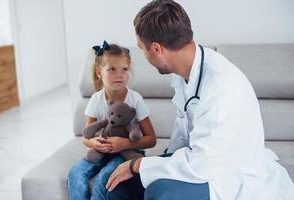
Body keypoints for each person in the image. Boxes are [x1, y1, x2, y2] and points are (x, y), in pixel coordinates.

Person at [105, 1, 294, 200]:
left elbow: (203, 164)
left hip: (226, 174)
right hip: (197, 158)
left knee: (160, 192)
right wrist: (158, 163)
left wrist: (139, 165)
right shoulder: (184, 72)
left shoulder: (221, 87)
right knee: (120, 186)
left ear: (157, 49)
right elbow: (182, 135)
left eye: (142, 49)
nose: (144, 55)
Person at [67, 41, 156, 200]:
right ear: (99, 72)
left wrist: (126, 144)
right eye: (112, 69)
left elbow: (151, 139)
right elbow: (86, 137)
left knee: (105, 177)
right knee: (75, 174)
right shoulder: (96, 99)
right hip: (101, 151)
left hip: (127, 152)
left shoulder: (135, 99)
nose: (119, 74)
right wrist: (94, 143)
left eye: (124, 69)